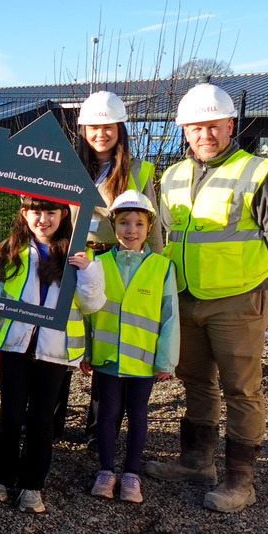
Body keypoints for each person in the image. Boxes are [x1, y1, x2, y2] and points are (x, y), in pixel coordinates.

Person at [145, 83, 268, 512]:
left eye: (213, 127)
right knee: (194, 380)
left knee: (241, 389)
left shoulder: (261, 171)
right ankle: (197, 462)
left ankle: (239, 481)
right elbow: (165, 233)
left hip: (236, 299)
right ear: (184, 131)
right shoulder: (173, 176)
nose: (205, 135)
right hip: (185, 295)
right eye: (196, 128)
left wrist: (241, 269)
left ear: (229, 125)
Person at [0, 195, 106, 514]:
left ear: (63, 214)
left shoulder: (77, 254)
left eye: (51, 212)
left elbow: (92, 304)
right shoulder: (10, 251)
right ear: (25, 214)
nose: (44, 219)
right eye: (36, 212)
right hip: (17, 345)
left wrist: (88, 271)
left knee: (42, 419)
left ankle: (32, 486)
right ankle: (0, 478)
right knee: (11, 414)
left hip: (54, 351)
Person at [60, 90, 165, 443]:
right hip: (74, 260)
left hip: (114, 263)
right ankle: (53, 420)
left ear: (120, 129)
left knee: (105, 344)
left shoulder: (137, 171)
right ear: (83, 131)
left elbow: (151, 228)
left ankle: (98, 430)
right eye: (93, 127)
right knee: (64, 339)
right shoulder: (70, 169)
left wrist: (156, 266)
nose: (100, 134)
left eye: (108, 127)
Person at [80, 191, 179, 504]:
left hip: (143, 362)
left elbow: (170, 317)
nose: (131, 230)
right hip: (107, 359)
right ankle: (106, 472)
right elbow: (86, 312)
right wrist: (85, 351)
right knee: (107, 415)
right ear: (114, 226)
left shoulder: (162, 268)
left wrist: (166, 360)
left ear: (149, 228)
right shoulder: (98, 264)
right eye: (124, 223)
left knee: (138, 416)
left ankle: (132, 475)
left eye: (138, 223)